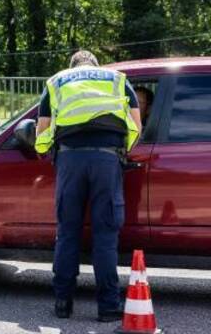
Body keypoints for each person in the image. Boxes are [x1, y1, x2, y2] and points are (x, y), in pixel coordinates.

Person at [35, 50, 142, 322]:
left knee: (68, 233)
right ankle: (107, 307)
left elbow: (43, 129)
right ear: (96, 65)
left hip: (70, 160)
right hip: (107, 160)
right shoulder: (117, 79)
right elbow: (136, 126)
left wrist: (47, 152)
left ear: (72, 66)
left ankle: (63, 303)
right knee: (105, 235)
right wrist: (121, 152)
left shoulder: (57, 81)